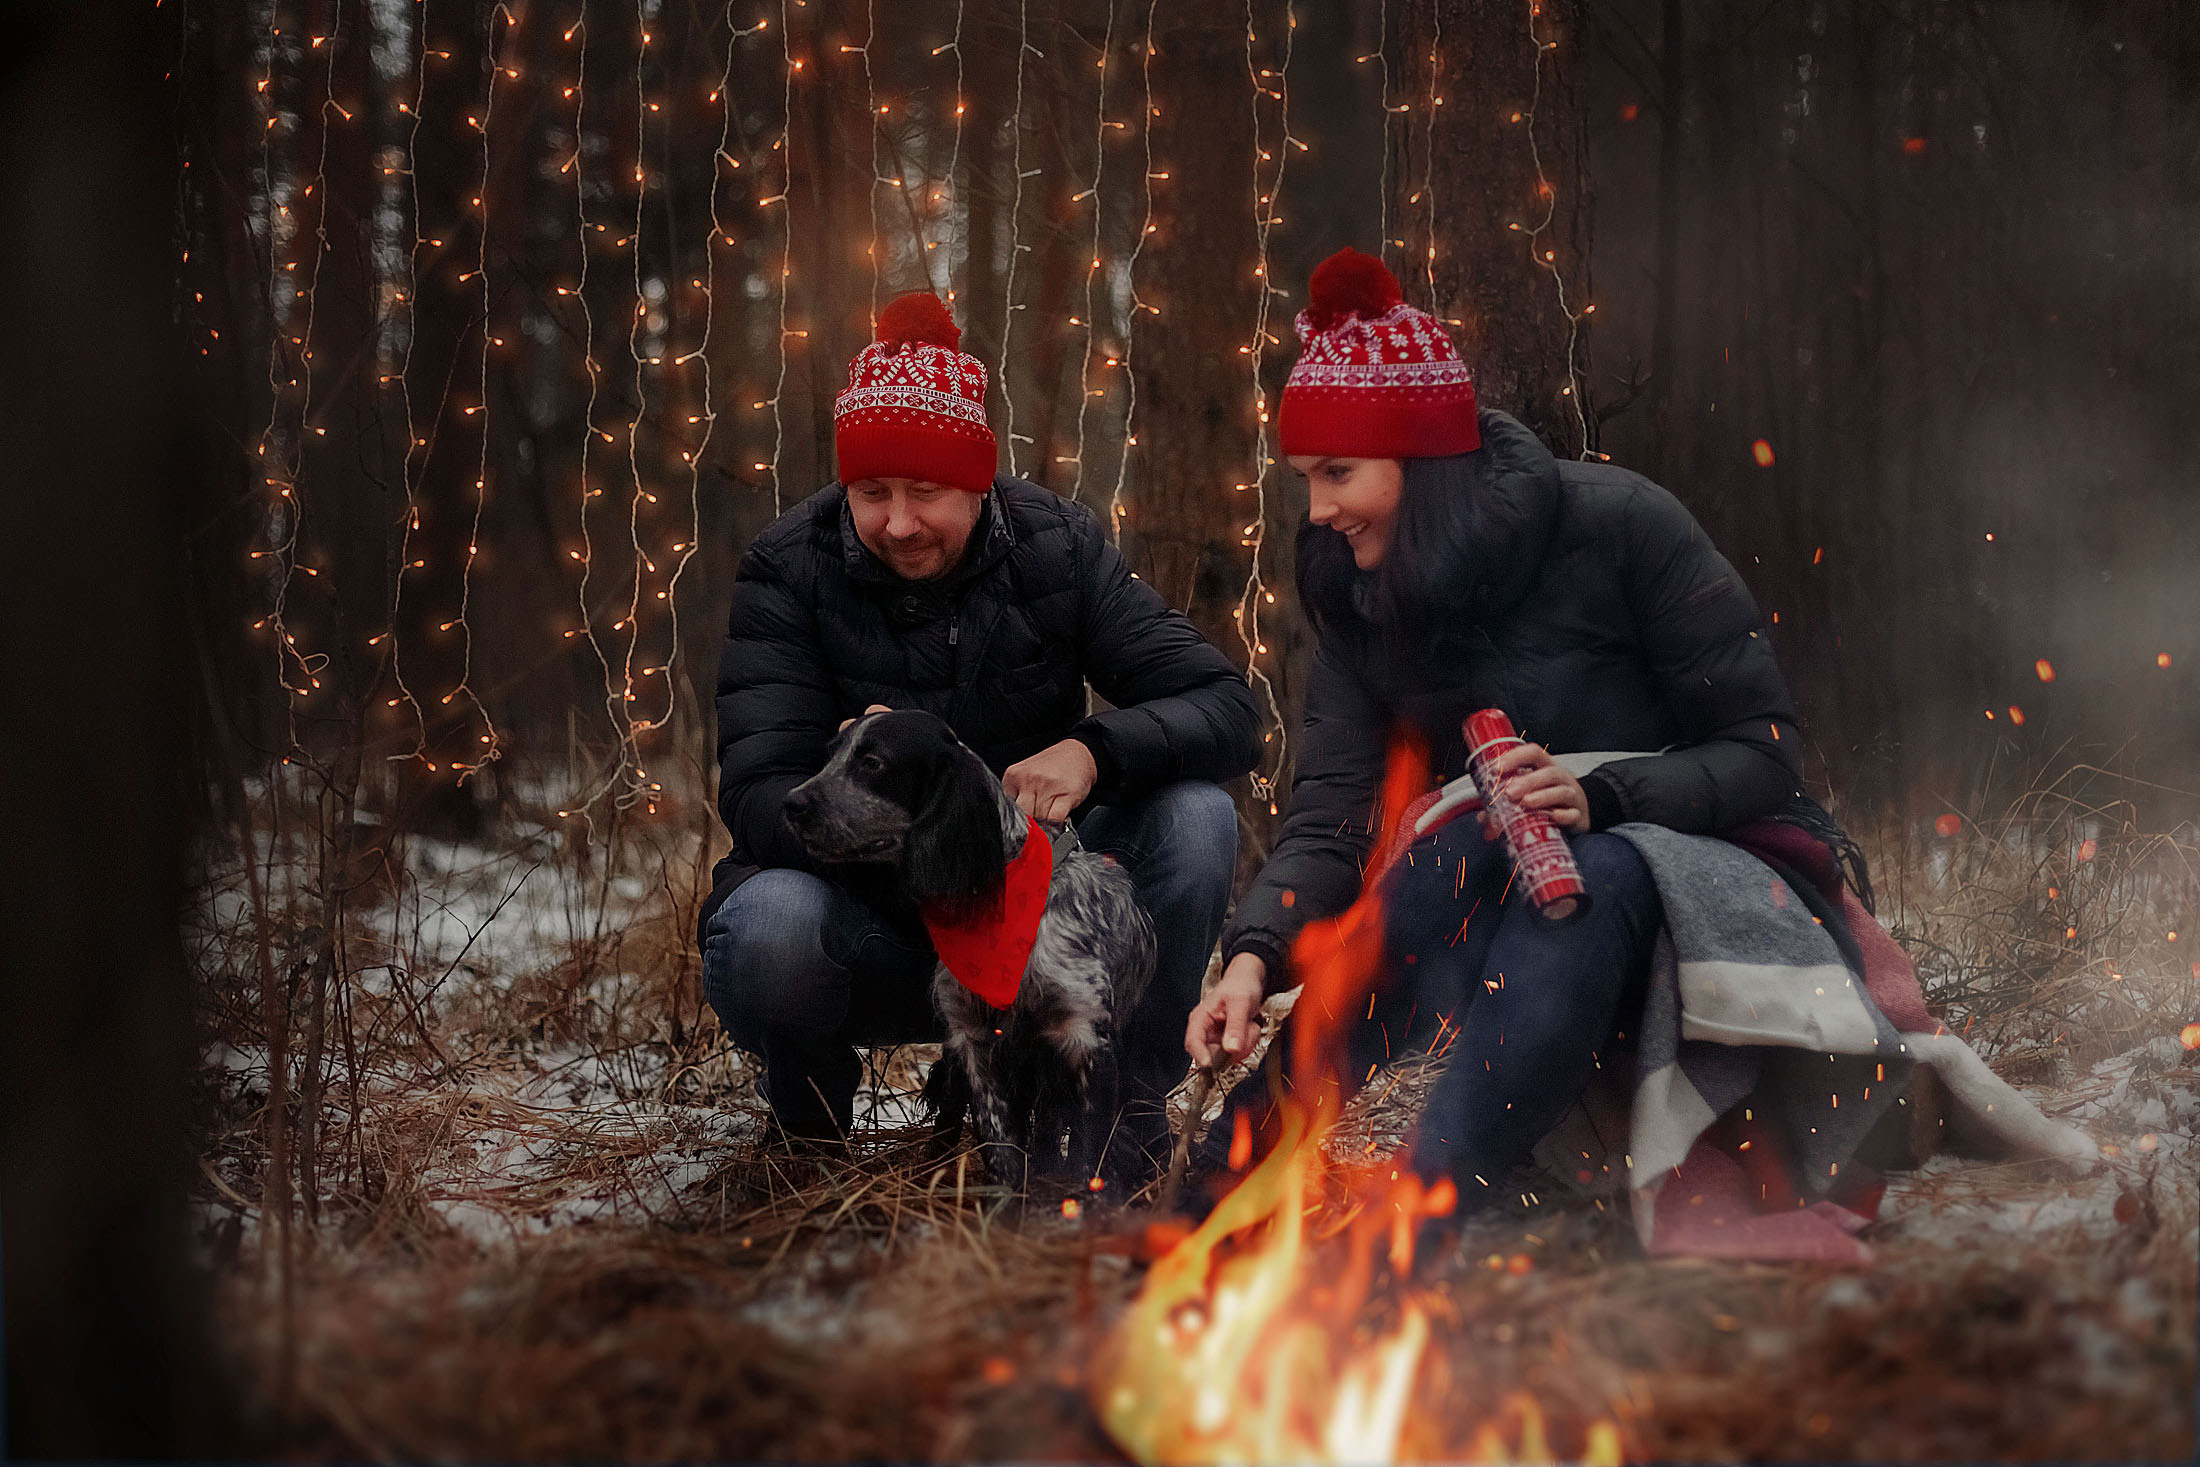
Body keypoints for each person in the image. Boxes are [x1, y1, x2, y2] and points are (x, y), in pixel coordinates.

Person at [1183, 247, 1854, 1220]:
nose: (1318, 510)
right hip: (1500, 891)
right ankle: (1203, 1196)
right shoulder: (1358, 590)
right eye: (1304, 480)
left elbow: (1761, 753)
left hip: (1709, 875)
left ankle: (1429, 1206)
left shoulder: (1622, 524)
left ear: (1425, 464)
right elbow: (1334, 813)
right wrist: (1250, 959)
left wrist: (1606, 796)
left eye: (1338, 473)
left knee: (1590, 873)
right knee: (1436, 867)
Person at [701, 291, 1259, 1167]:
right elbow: (759, 792)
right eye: (870, 491)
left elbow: (1226, 706)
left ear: (980, 481)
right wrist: (884, 802)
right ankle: (808, 1133)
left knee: (1196, 817)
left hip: (1041, 921)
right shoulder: (787, 567)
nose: (896, 521)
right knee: (765, 927)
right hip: (877, 926)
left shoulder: (1056, 548)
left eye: (926, 491)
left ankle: (1126, 1110)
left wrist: (1094, 749)